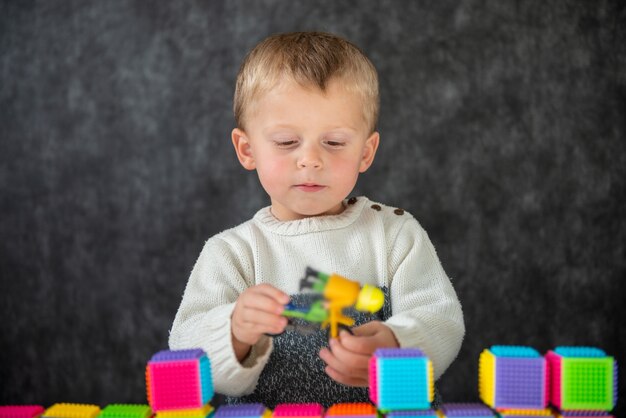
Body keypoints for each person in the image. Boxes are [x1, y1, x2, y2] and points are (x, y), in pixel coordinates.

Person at [169, 31, 464, 408]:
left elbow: (441, 318)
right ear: (247, 149)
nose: (310, 159)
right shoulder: (232, 253)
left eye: (335, 142)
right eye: (287, 142)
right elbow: (185, 350)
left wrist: (396, 344)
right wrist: (236, 330)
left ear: (366, 152)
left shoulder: (395, 235)